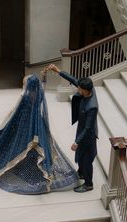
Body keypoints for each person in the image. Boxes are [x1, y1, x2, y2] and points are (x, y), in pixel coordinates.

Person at [0, 73, 79, 194]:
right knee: (34, 146)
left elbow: (17, 112)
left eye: (24, 83)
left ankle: (19, 166)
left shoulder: (26, 97)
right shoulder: (39, 94)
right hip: (37, 123)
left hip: (24, 122)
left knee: (9, 140)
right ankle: (35, 168)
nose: (23, 85)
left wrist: (8, 123)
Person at [48, 64, 98, 193]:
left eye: (79, 89)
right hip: (82, 129)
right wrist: (58, 70)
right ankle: (81, 173)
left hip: (87, 135)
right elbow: (73, 80)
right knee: (81, 156)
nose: (77, 90)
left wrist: (77, 142)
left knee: (85, 159)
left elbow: (88, 128)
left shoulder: (92, 106)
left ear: (85, 90)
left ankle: (88, 184)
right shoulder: (88, 88)